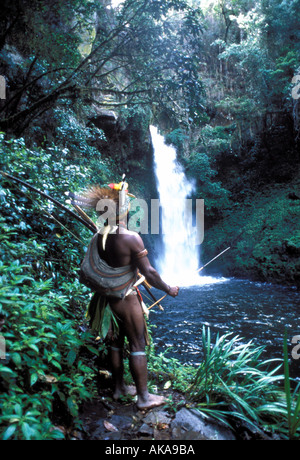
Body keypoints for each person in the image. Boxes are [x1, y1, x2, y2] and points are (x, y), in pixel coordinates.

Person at [77, 181, 179, 410]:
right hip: (126, 298)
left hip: (107, 301)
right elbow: (150, 273)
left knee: (115, 344)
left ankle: (119, 388)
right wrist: (168, 289)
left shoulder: (99, 236)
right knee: (137, 344)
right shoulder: (130, 237)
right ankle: (143, 398)